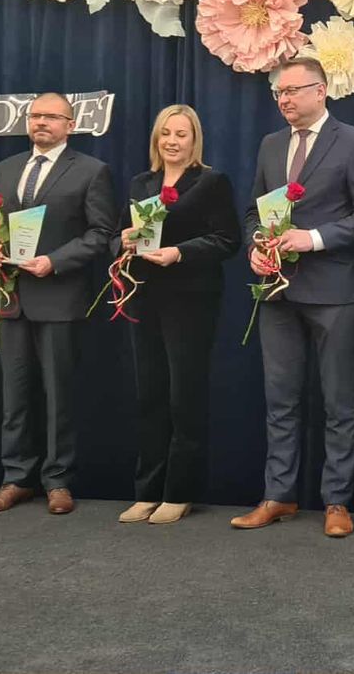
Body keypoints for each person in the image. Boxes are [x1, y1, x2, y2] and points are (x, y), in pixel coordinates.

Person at [232, 57, 354, 538]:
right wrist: (256, 248)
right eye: (279, 93)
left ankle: (337, 501)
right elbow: (254, 212)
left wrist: (313, 238)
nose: (285, 100)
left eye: (293, 91)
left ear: (321, 91)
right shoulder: (270, 144)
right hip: (277, 292)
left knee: (339, 402)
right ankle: (279, 495)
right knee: (280, 400)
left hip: (334, 292)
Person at [0, 92, 118, 516]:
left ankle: (58, 481)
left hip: (58, 296)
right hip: (10, 297)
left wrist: (54, 261)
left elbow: (100, 233)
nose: (41, 122)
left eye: (51, 117)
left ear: (69, 125)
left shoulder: (91, 170)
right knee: (14, 396)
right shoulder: (6, 168)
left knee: (59, 396)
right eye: (35, 116)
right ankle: (16, 478)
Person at [115, 106, 240, 525]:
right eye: (165, 133)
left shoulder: (211, 182)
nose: (172, 141)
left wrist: (180, 253)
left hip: (190, 300)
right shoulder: (141, 183)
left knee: (183, 396)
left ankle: (179, 491)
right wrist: (124, 241)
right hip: (144, 297)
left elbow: (227, 239)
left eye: (181, 134)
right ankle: (147, 491)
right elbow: (119, 233)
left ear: (194, 140)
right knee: (149, 395)